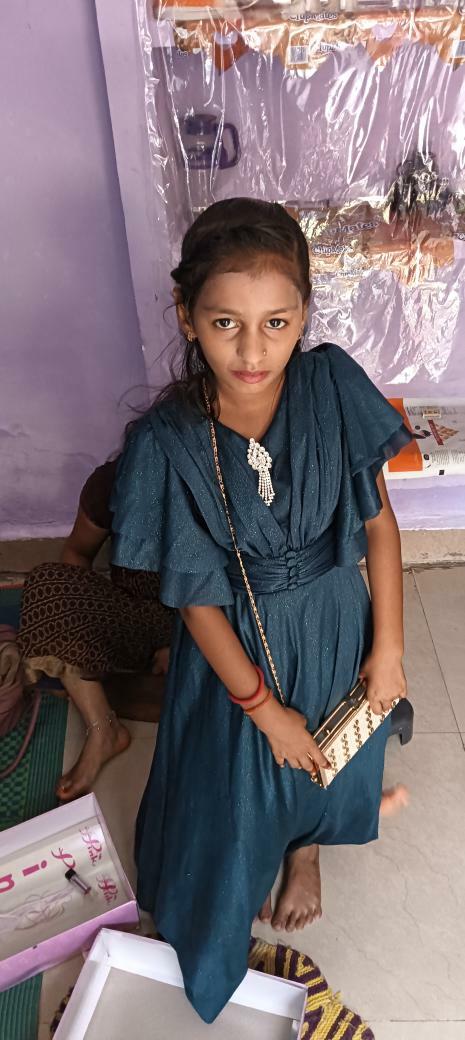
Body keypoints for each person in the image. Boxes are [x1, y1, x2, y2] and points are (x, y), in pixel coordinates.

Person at [110, 198, 411, 1023]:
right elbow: (196, 598)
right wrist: (263, 710)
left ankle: (305, 850)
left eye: (276, 323)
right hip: (237, 647)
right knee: (234, 792)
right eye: (225, 325)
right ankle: (218, 928)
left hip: (337, 618)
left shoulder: (331, 385)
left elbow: (378, 525)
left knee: (334, 758)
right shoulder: (167, 442)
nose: (252, 351)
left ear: (303, 315)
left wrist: (386, 647)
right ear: (186, 316)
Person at [17, 458, 172, 800]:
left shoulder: (211, 483)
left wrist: (180, 642)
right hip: (134, 616)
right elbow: (76, 553)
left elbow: (238, 584)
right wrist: (81, 631)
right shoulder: (110, 483)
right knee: (46, 584)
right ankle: (104, 729)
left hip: (204, 622)